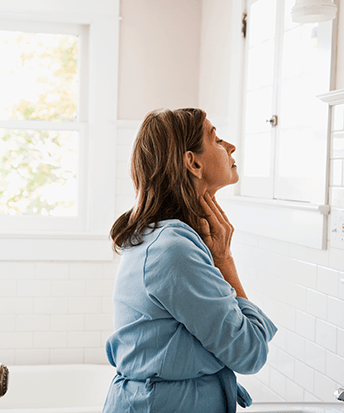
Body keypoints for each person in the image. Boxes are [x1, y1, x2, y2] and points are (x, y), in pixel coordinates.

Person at [103, 108, 277, 413]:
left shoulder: (163, 237)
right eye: (217, 139)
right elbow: (249, 352)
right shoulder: (173, 250)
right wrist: (224, 261)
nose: (231, 147)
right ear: (193, 162)